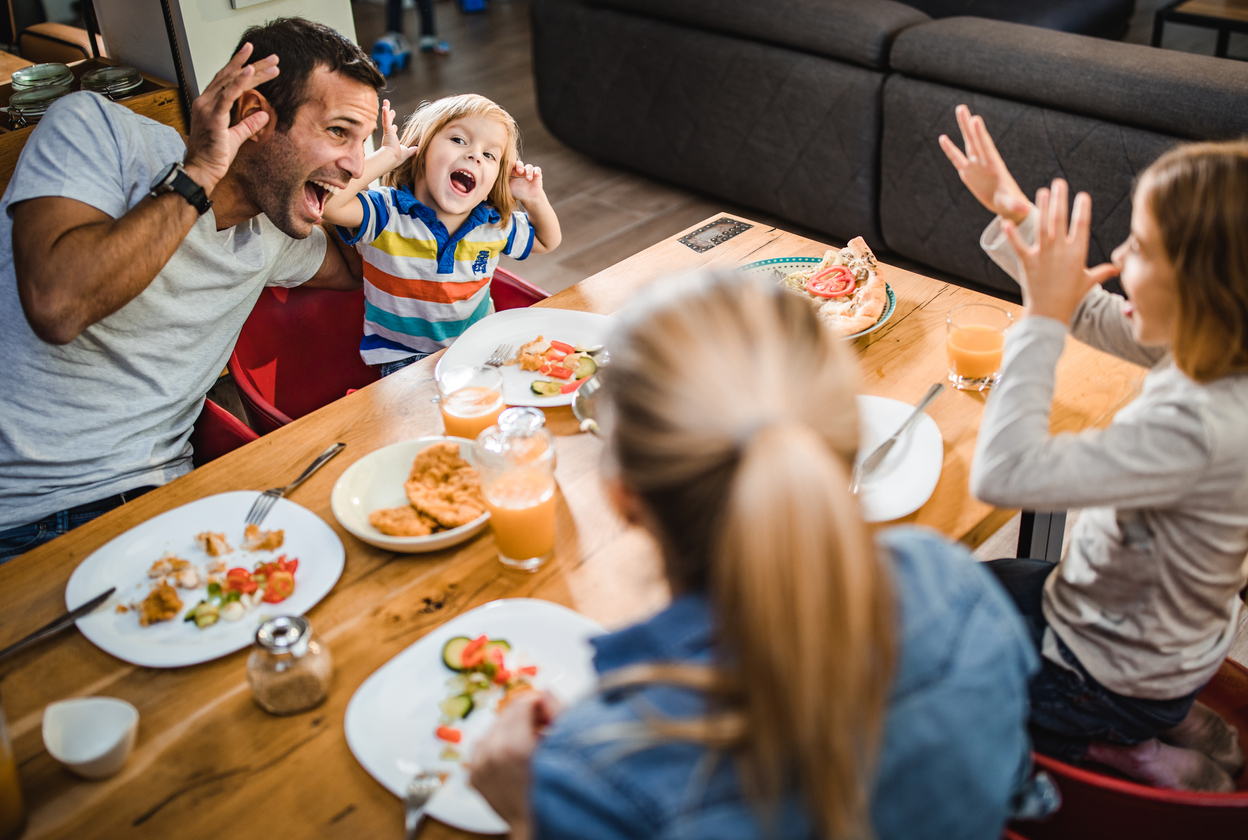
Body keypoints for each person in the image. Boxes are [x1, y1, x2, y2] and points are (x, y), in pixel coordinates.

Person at [467, 272, 1039, 840]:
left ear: (622, 497)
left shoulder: (589, 784)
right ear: (845, 448)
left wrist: (528, 816)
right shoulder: (958, 584)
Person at [941, 105, 1248, 791]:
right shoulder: (1221, 349)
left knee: (950, 672)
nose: (1117, 259)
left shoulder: (1195, 428)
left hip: (1105, 666)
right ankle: (1169, 714)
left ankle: (1134, 751)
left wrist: (1040, 320)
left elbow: (1004, 469)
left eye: (1140, 247)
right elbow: (1090, 308)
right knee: (969, 587)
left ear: (1201, 289)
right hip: (1160, 633)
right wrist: (1014, 211)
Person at [0, 18, 386, 563]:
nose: (355, 163)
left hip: (165, 504)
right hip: (24, 519)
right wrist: (200, 173)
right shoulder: (96, 131)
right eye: (339, 132)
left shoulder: (274, 233)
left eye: (362, 141)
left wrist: (439, 186)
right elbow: (58, 306)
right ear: (254, 115)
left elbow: (362, 270)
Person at [322, 93, 560, 375]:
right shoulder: (385, 212)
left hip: (482, 348)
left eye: (489, 155)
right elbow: (331, 205)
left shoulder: (493, 223)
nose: (474, 155)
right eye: (459, 140)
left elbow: (547, 241)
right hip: (406, 360)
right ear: (419, 149)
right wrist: (388, 157)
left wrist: (533, 197)